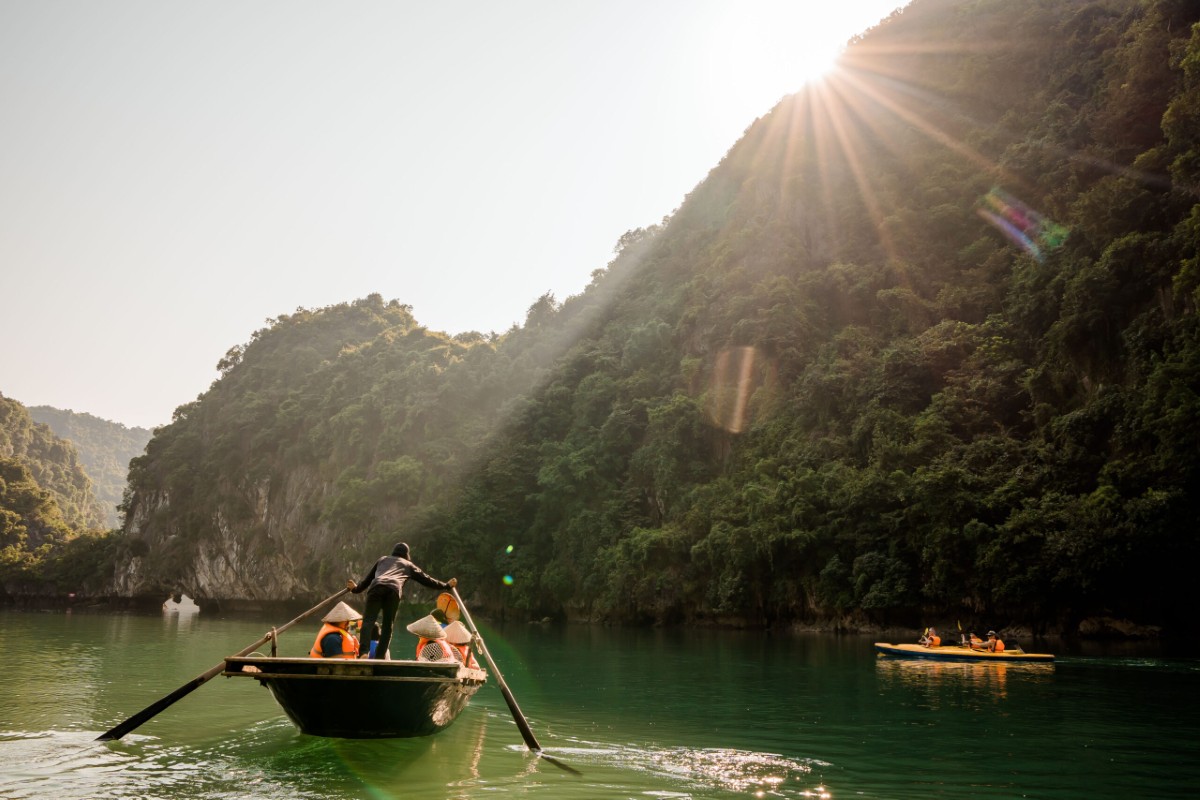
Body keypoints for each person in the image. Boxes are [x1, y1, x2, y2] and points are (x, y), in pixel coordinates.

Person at [348, 542, 457, 660]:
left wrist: (355, 589)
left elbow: (367, 581)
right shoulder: (408, 565)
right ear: (406, 554)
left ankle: (364, 652)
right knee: (387, 626)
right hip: (393, 590)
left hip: (376, 587)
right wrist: (446, 585)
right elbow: (427, 580)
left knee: (368, 621)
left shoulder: (382, 560)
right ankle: (380, 657)